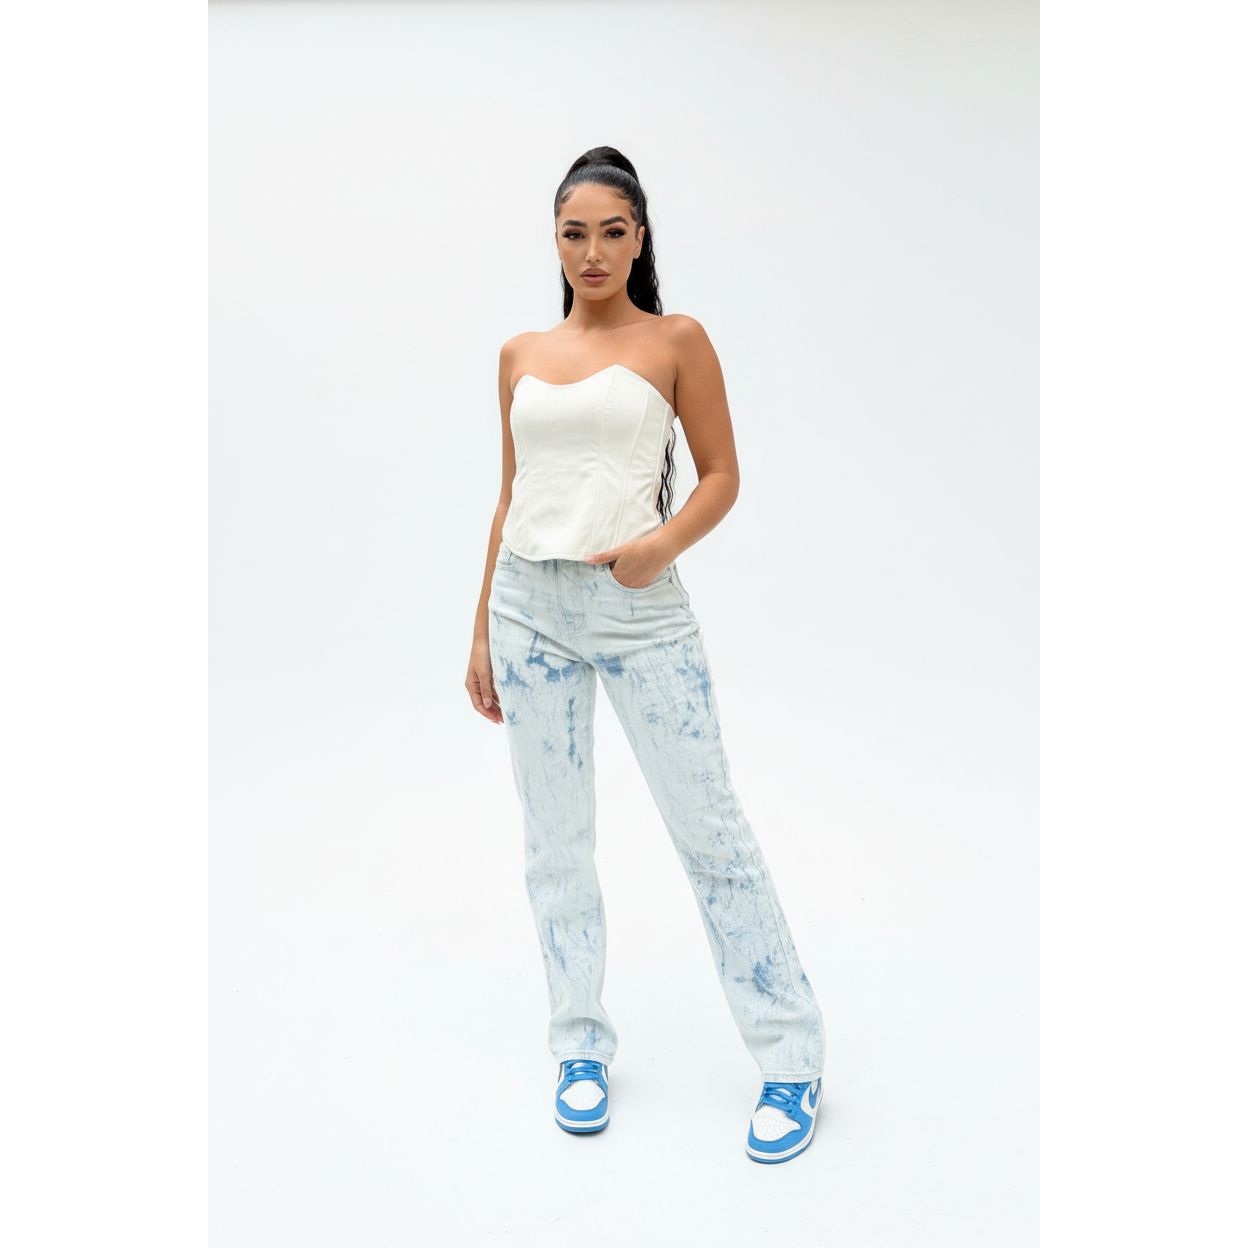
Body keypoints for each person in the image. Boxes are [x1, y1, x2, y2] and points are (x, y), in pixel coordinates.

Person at [465, 146, 826, 1164]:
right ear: (555, 241)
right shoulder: (520, 354)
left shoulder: (676, 340)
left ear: (639, 238)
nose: (592, 252)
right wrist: (480, 629)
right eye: (573, 233)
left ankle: (792, 1056)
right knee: (555, 845)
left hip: (637, 607)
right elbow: (511, 495)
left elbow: (720, 474)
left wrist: (658, 548)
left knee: (711, 834)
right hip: (527, 610)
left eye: (612, 232)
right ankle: (578, 1046)